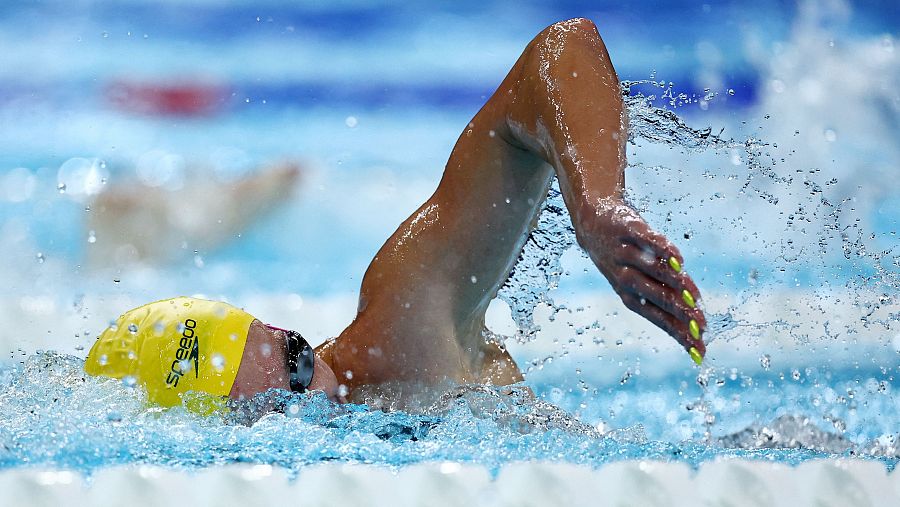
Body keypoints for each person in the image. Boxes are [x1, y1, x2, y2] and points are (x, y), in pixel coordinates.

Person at [84, 18, 707, 412]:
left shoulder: (403, 337)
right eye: (283, 394)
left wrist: (597, 202)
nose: (312, 394)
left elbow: (562, 47)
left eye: (299, 359)